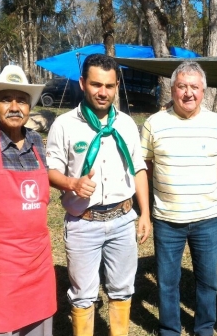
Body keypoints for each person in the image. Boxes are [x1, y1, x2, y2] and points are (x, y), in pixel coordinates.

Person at [46, 54, 151, 336]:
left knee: (122, 289)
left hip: (123, 220)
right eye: (95, 84)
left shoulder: (127, 124)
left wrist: (145, 215)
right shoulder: (64, 124)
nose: (102, 92)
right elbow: (50, 170)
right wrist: (72, 183)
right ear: (82, 83)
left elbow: (139, 169)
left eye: (109, 85)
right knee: (83, 295)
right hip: (84, 223)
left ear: (117, 86)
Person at [141, 61, 217, 336]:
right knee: (168, 281)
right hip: (167, 219)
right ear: (173, 89)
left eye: (194, 87)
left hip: (207, 219)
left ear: (204, 91)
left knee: (208, 281)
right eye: (182, 86)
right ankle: (170, 329)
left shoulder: (216, 124)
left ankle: (204, 328)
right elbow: (145, 164)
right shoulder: (154, 123)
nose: (188, 93)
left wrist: (201, 181)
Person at [0, 65, 56, 335]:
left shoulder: (37, 141)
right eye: (6, 99)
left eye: (22, 100)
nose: (15, 106)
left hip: (38, 265)